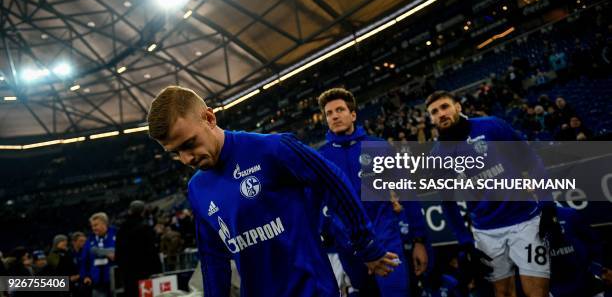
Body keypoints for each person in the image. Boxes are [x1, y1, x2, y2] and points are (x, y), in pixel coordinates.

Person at [147, 86, 399, 297]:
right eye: (175, 153)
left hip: (311, 290)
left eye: (190, 143)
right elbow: (213, 258)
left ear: (210, 119)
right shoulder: (197, 188)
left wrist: (365, 244)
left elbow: (333, 180)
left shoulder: (272, 149)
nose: (186, 157)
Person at [425, 90, 552, 297]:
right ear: (431, 118)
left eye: (445, 107)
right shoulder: (438, 154)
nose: (441, 114)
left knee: (537, 291)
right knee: (502, 293)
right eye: (434, 111)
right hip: (485, 232)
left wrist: (547, 203)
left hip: (524, 221)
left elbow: (530, 159)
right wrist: (465, 242)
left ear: (458, 107)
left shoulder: (492, 126)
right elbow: (448, 202)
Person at [317, 88, 428, 296]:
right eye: (329, 113)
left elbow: (407, 193)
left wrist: (419, 241)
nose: (334, 116)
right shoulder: (321, 157)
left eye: (340, 109)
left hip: (385, 242)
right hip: (349, 251)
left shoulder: (377, 147)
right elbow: (318, 205)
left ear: (353, 115)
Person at [115, 200, 162, 297]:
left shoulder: (121, 229)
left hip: (128, 273)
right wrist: (158, 270)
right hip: (145, 272)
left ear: (130, 211)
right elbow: (152, 251)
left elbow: (118, 252)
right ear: (143, 211)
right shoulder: (145, 228)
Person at [81, 212, 116, 297]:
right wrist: (86, 276)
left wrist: (98, 251)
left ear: (104, 224)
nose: (94, 228)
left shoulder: (116, 233)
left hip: (115, 279)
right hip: (97, 281)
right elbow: (84, 259)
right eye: (92, 226)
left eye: (96, 225)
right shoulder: (90, 240)